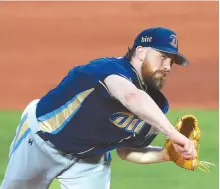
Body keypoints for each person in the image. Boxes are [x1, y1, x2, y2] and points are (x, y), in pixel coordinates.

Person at [1, 27, 196, 189]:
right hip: (41, 142)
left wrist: (165, 154)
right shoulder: (107, 70)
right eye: (163, 57)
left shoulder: (156, 108)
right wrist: (173, 133)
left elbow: (126, 151)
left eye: (172, 62)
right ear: (141, 52)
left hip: (89, 159)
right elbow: (130, 96)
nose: (168, 67)